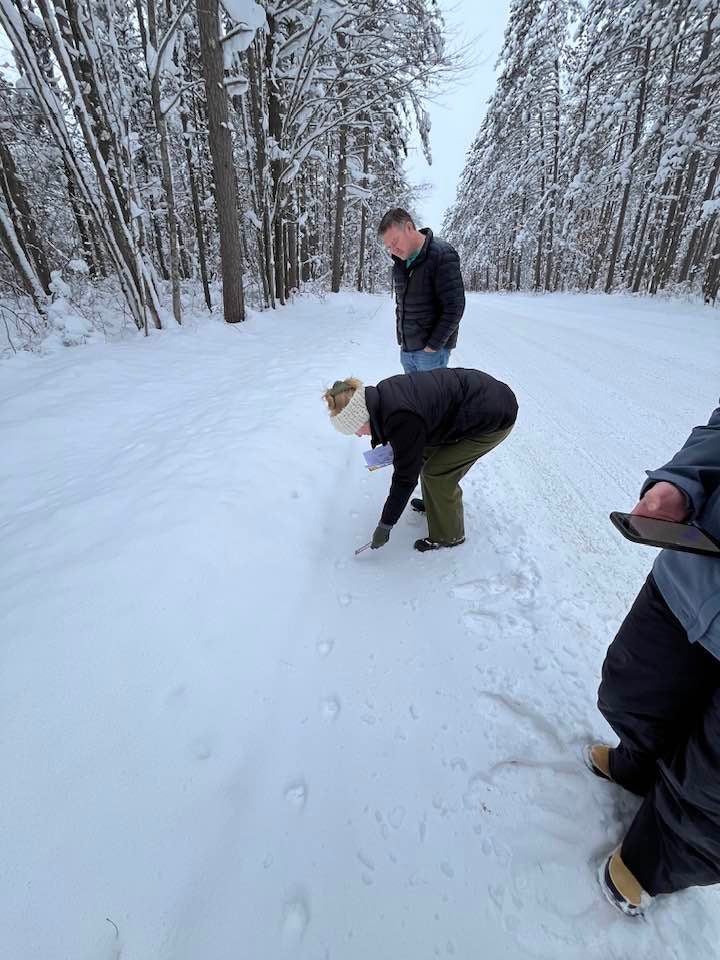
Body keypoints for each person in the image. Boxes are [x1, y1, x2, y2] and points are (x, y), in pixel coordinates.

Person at [586, 401, 720, 917]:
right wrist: (681, 484)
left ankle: (655, 859)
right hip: (697, 574)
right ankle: (637, 765)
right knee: (632, 685)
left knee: (713, 790)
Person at [323, 368, 517, 552]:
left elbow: (405, 479)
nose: (358, 436)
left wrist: (385, 525)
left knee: (437, 474)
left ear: (362, 418)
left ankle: (449, 535)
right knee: (424, 454)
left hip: (494, 417)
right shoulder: (382, 396)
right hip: (480, 398)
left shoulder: (400, 418)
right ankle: (436, 505)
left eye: (355, 430)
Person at [378, 208, 465, 374]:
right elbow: (401, 303)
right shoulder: (399, 262)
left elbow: (455, 307)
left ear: (409, 228)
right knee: (414, 398)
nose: (392, 250)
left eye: (395, 242)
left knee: (432, 399)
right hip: (407, 349)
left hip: (430, 354)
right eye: (388, 247)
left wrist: (433, 346)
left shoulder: (442, 254)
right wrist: (401, 338)